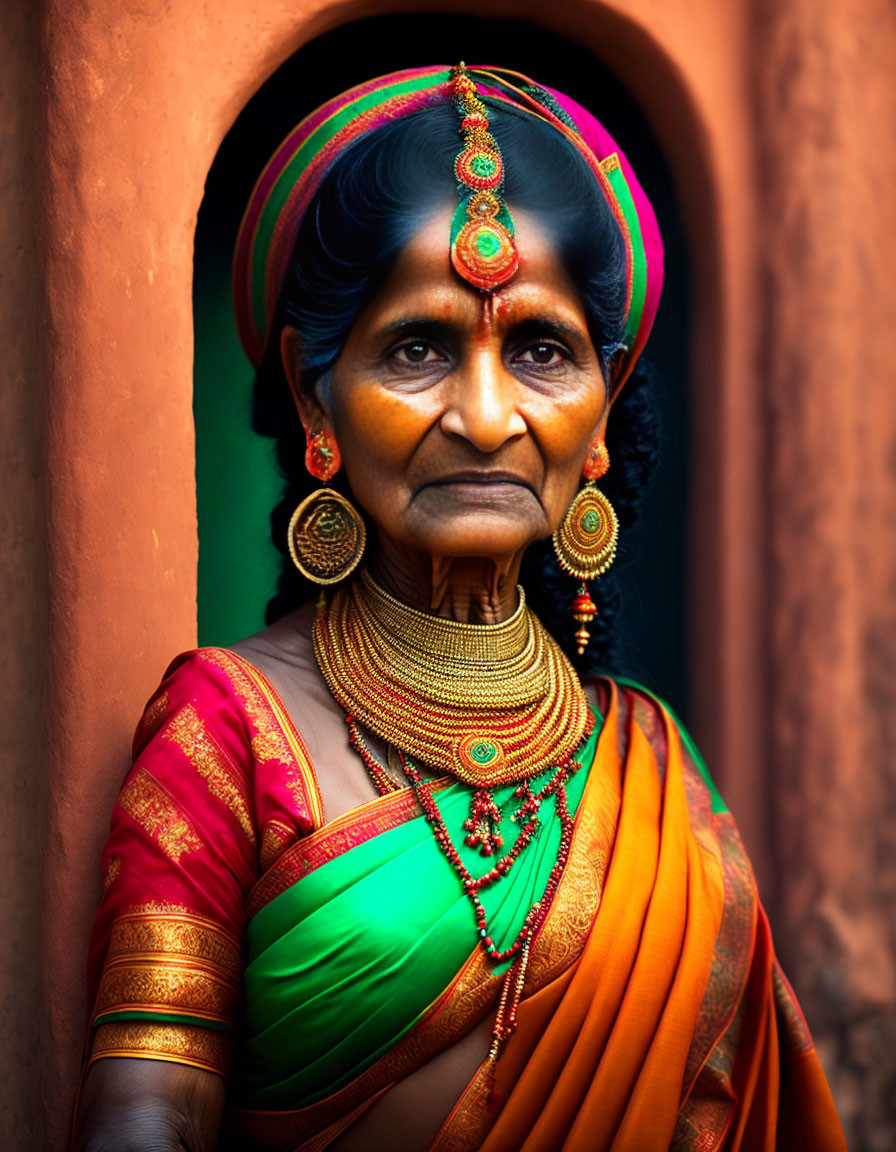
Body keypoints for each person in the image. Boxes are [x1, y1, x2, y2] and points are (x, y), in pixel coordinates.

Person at [72, 65, 846, 1152]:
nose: (484, 419)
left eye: (539, 350)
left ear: (605, 403)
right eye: (418, 347)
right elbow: (145, 1120)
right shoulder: (229, 733)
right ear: (310, 392)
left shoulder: (649, 767)